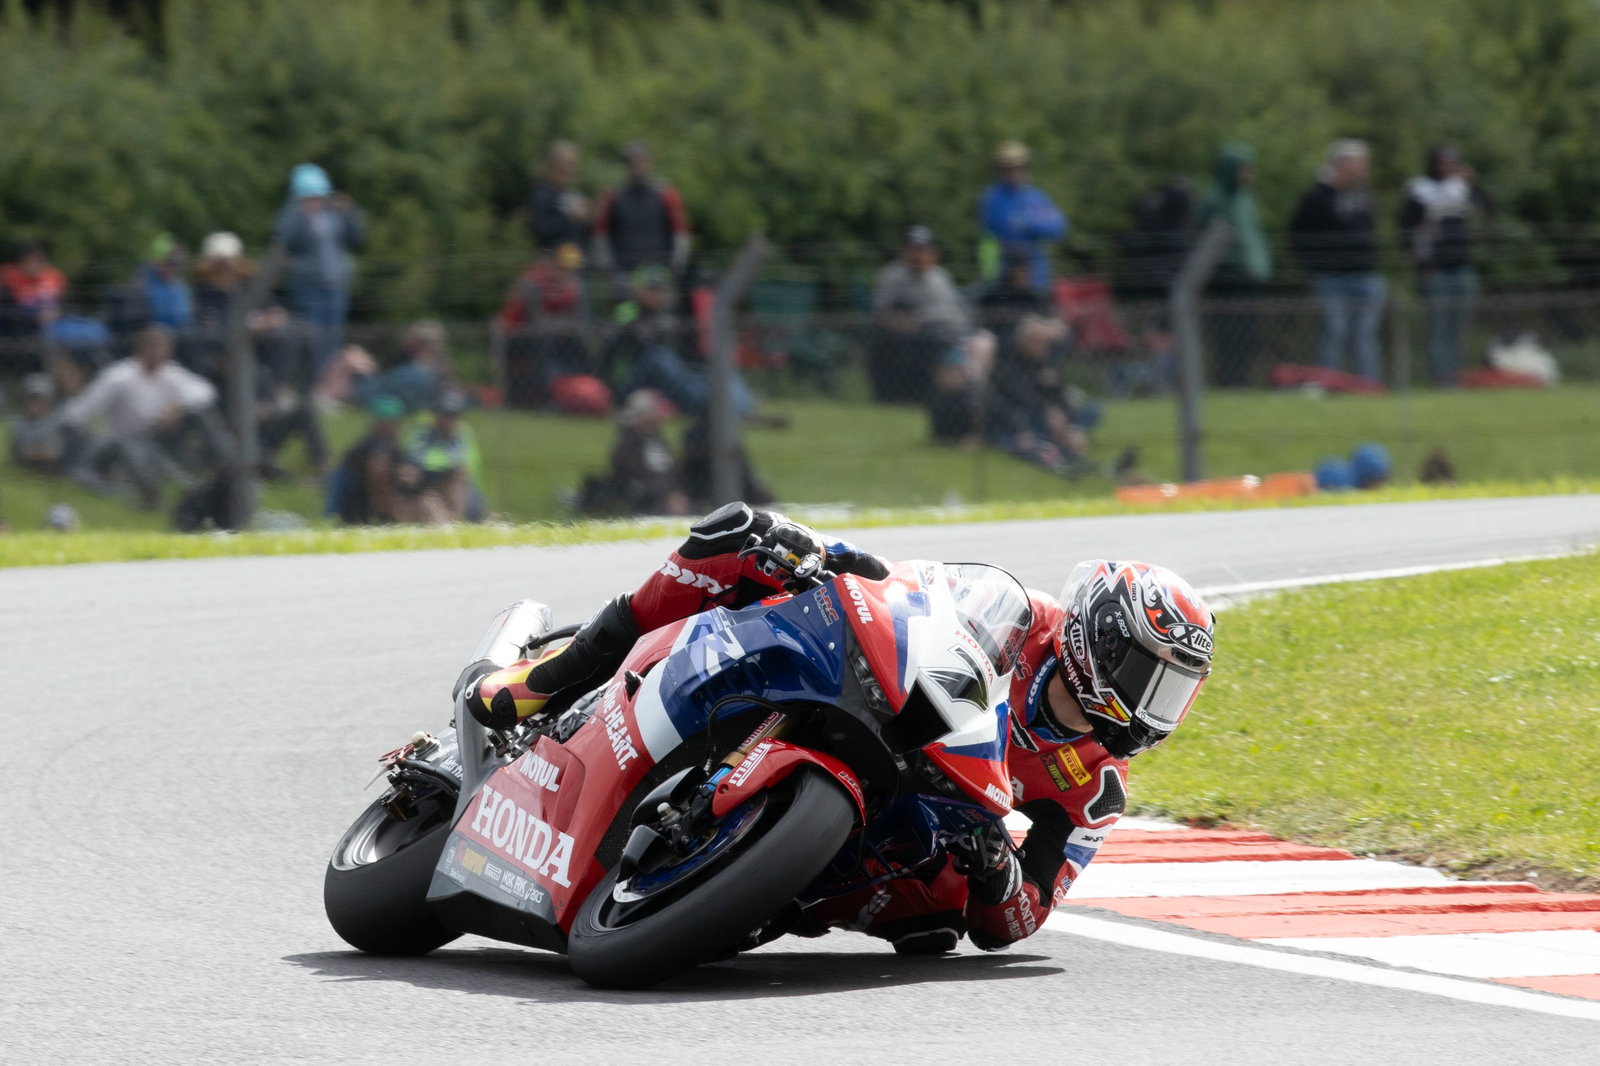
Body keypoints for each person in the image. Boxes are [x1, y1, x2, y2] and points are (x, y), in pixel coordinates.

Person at [465, 502, 1215, 955]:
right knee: (742, 536)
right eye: (1152, 677)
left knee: (938, 922)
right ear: (1100, 642)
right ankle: (551, 679)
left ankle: (753, 889)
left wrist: (995, 867)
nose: (1156, 708)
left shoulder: (1094, 790)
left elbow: (1023, 917)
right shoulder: (1028, 619)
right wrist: (838, 560)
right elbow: (918, 594)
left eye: (1174, 693)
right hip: (876, 695)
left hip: (918, 808)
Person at [59, 324, 233, 507]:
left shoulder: (171, 373)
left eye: (163, 347)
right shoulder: (119, 377)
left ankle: (233, 467)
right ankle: (151, 497)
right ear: (142, 349)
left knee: (202, 413)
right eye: (154, 347)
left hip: (162, 436)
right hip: (124, 441)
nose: (159, 353)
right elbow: (82, 409)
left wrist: (178, 407)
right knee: (130, 447)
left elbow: (206, 392)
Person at [1289, 139, 1386, 384]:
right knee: (1335, 332)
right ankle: (1328, 382)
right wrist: (1315, 266)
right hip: (1332, 279)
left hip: (1366, 275)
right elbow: (1297, 235)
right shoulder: (1317, 197)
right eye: (1360, 162)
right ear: (1342, 164)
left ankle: (1368, 385)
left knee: (1365, 336)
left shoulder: (1363, 194)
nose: (1364, 168)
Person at [1399, 145, 1491, 386]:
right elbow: (1407, 228)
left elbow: (1487, 208)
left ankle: (1458, 375)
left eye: (1451, 162)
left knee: (1459, 327)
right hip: (1434, 269)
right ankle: (1440, 378)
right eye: (1442, 162)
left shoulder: (1461, 188)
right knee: (1437, 326)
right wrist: (1419, 261)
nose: (1446, 167)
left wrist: (1472, 184)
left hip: (1461, 266)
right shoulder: (1419, 189)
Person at [274, 163, 366, 372]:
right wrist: (296, 211)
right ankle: (311, 381)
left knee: (333, 336)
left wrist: (350, 213)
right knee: (312, 338)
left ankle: (328, 383)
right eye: (310, 196)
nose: (315, 201)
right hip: (308, 289)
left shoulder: (333, 215)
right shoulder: (291, 215)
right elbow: (284, 238)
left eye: (319, 196)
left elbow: (356, 239)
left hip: (335, 286)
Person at [1198, 143, 1273, 387]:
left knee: (1248, 335)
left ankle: (1243, 381)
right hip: (1224, 277)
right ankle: (1228, 382)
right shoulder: (1213, 199)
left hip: (1249, 277)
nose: (1250, 175)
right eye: (1245, 169)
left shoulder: (1246, 199)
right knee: (1226, 334)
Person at [869, 226, 970, 404]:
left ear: (933, 253)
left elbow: (955, 315)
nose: (919, 256)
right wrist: (901, 322)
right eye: (914, 250)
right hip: (907, 336)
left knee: (949, 344)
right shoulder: (893, 277)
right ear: (905, 252)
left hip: (943, 333)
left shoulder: (941, 278)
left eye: (924, 250)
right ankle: (897, 397)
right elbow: (880, 314)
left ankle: (946, 396)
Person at [592, 141, 692, 289]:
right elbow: (601, 236)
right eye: (631, 162)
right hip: (624, 278)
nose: (636, 166)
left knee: (660, 311)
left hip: (659, 276)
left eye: (640, 161)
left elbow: (681, 234)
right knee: (626, 312)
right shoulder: (612, 196)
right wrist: (610, 273)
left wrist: (674, 271)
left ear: (649, 161)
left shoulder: (667, 194)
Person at [978, 141, 1067, 291]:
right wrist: (1036, 223)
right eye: (1009, 168)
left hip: (1037, 277)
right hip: (1003, 277)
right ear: (1001, 170)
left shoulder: (1036, 196)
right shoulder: (992, 198)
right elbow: (1004, 225)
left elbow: (1058, 227)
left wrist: (1027, 223)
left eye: (1020, 167)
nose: (1015, 172)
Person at [396, 390, 484, 524]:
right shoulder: (420, 433)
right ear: (435, 414)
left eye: (453, 415)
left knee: (457, 476)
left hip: (459, 490)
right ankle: (448, 528)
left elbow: (463, 468)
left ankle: (456, 522)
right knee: (426, 499)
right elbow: (409, 463)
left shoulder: (462, 434)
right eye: (444, 414)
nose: (448, 420)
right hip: (424, 486)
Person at [330, 394, 407, 525]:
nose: (395, 427)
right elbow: (377, 472)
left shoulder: (390, 446)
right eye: (391, 422)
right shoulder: (375, 445)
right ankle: (386, 518)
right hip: (356, 505)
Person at [527, 140, 591, 254]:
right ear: (552, 165)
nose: (568, 168)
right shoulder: (542, 194)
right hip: (550, 264)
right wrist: (570, 218)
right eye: (564, 163)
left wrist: (593, 216)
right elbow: (540, 230)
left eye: (572, 164)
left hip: (573, 265)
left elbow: (581, 237)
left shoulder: (572, 194)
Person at [8, 373, 76, 475]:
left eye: (41, 401)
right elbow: (20, 451)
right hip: (26, 463)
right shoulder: (18, 423)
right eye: (32, 400)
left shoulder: (55, 423)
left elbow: (56, 450)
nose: (36, 405)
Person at [133, 234, 194, 332]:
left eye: (177, 265)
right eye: (169, 262)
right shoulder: (143, 280)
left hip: (177, 337)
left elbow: (184, 318)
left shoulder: (181, 287)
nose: (173, 269)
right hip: (151, 333)